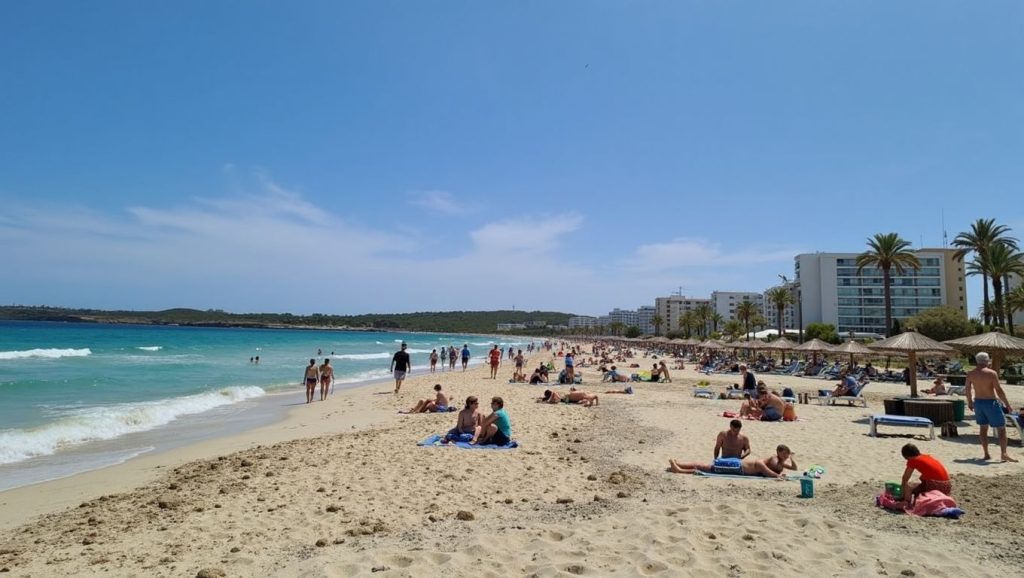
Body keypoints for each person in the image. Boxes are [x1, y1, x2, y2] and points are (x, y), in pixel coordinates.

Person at [966, 351, 1017, 462]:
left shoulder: (971, 373)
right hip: (991, 403)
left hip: (978, 402)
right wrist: (1007, 404)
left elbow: (968, 389)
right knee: (1001, 429)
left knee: (983, 428)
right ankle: (1003, 453)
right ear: (987, 361)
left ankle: (986, 454)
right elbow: (998, 390)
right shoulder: (991, 373)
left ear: (977, 361)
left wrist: (970, 402)